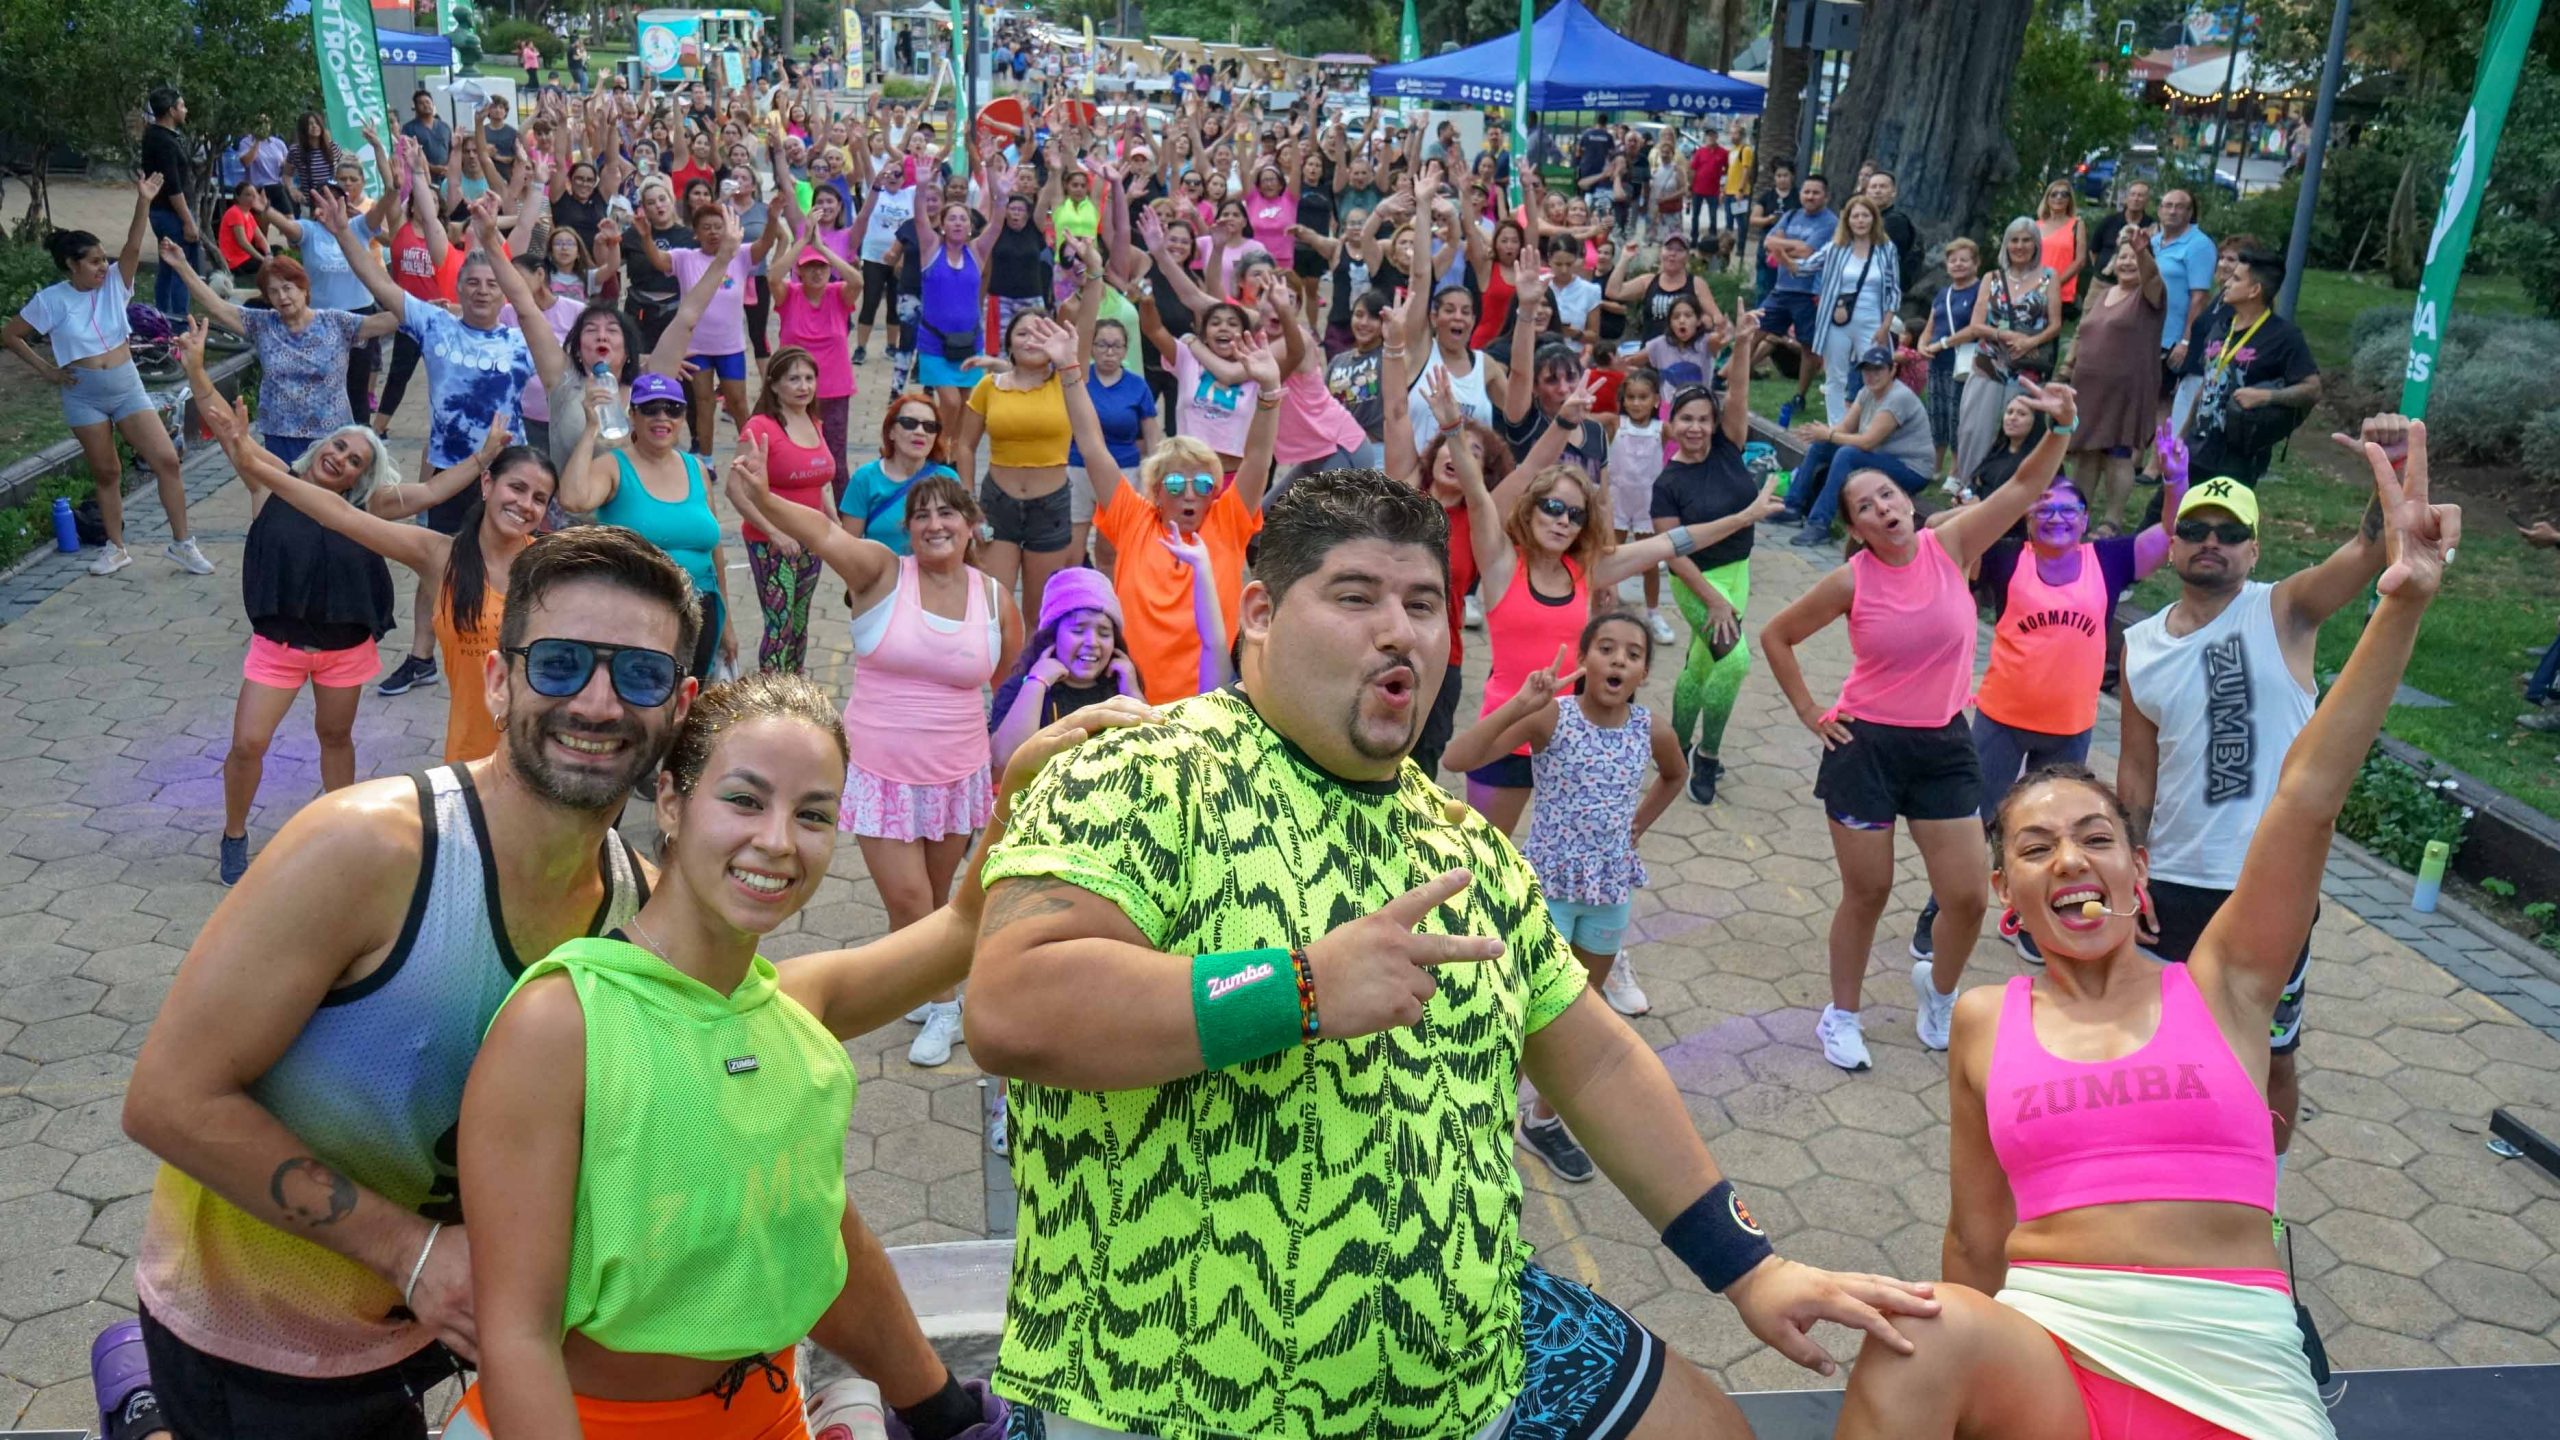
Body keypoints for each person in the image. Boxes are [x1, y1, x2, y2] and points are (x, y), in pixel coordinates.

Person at [966, 466, 1940, 1440]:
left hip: (1469, 1343)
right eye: (1355, 596)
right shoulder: (1138, 769)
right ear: (1258, 612)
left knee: (1708, 1430)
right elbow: (1015, 1006)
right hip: (1178, 1385)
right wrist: (1301, 989)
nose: (1400, 629)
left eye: (1424, 604)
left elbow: (1593, 1058)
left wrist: (1749, 1268)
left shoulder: (1462, 843)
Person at [123, 526, 980, 1440]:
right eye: (562, 664)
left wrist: (989, 898)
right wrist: (413, 1256)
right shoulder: (370, 850)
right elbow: (167, 1100)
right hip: (276, 1346)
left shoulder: (637, 897)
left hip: (467, 1331)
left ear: (679, 704)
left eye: (640, 675)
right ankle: (141, 1408)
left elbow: (775, 1015)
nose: (599, 701)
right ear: (499, 679)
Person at [1832, 422, 2453, 1440]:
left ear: (2136, 871)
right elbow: (1974, 1236)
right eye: (2036, 850)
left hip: (2232, 1361)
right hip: (2048, 1349)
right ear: (2005, 890)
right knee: (1923, 1327)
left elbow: (2306, 797)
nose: (2070, 859)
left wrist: (2402, 603)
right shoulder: (1985, 1019)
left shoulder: (2224, 987)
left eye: (2093, 839)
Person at [450, 671, 1135, 1437]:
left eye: (812, 814)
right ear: (671, 802)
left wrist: (1017, 793)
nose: (777, 842)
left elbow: (965, 929)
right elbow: (516, 1339)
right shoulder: (562, 1023)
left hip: (773, 1415)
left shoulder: (787, 1006)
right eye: (744, 800)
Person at [1759, 381, 2079, 1073]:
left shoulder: (1951, 542)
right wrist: (1811, 712)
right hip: (1866, 746)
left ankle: (1938, 993)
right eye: (1864, 505)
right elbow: (1777, 636)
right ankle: (1840, 1015)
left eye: (1888, 496)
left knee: (1965, 895)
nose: (1882, 508)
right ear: (1857, 525)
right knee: (1867, 892)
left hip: (1943, 744)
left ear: (1909, 502)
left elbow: (2025, 488)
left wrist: (2062, 426)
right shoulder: (1852, 580)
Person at [2119, 426, 2398, 1181]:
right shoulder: (2140, 643)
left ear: (2253, 552)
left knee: (2272, 1051)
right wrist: (2129, 870)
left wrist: (2390, 476)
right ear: (2173, 547)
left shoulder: (2283, 611)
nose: (2210, 543)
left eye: (2230, 533)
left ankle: (2258, 1189)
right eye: (2196, 531)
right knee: (2160, 1041)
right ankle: (2161, 1172)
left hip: (2269, 884)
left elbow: (2368, 553)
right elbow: (2137, 773)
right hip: (2172, 879)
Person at [728, 450, 1022, 1069]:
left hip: (957, 774)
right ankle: (946, 1006)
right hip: (880, 773)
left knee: (938, 896)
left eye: (948, 513)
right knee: (912, 901)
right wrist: (762, 494)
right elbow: (823, 532)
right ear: (908, 529)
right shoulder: (884, 573)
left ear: (973, 525)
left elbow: (999, 673)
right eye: (922, 515)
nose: (935, 524)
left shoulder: (994, 596)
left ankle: (916, 980)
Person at [1909, 424, 2191, 966]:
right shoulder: (2003, 556)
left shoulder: (2106, 561)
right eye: (2043, 508)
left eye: (2067, 509)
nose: (2056, 517)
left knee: (2051, 830)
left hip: (2069, 725)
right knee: (1974, 819)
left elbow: (2167, 535)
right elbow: (1937, 531)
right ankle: (1942, 905)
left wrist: (2176, 481)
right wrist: (2006, 496)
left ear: (2086, 521)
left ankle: (2029, 921)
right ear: (2025, 517)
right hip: (2000, 716)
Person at [1441, 610, 1689, 1173]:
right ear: (1584, 660)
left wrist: (1639, 825)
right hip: (1548, 890)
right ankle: (1490, 1120)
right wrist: (1521, 705)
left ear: (1644, 671)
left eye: (1632, 652)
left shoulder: (1651, 728)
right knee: (1525, 1007)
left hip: (1608, 892)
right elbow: (1459, 758)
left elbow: (1676, 774)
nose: (1619, 659)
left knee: (1583, 1008)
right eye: (1606, 648)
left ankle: (1543, 1120)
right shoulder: (1554, 718)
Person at [177, 327, 399, 888]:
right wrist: (197, 371)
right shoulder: (272, 482)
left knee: (335, 739)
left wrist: (485, 461)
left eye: (354, 460)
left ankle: (344, 837)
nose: (341, 458)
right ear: (321, 446)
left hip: (344, 650)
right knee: (248, 743)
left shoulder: (364, 511)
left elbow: (437, 497)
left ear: (359, 477)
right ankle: (233, 835)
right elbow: (231, 433)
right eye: (339, 446)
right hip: (278, 646)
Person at [1047, 313, 1281, 703]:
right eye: (1175, 483)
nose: (1190, 493)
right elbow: (1091, 445)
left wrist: (1270, 390)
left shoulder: (1227, 520)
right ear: (1155, 491)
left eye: (1203, 483)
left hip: (1209, 701)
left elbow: (1257, 456)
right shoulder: (1133, 517)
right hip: (1132, 697)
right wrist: (1070, 370)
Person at [2, 180, 213, 577]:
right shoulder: (51, 299)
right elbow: (10, 335)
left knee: (167, 460)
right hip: (83, 396)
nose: (103, 266)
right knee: (107, 472)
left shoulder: (116, 283)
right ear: (72, 264)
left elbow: (133, 246)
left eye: (104, 259)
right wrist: (48, 370)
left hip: (126, 386)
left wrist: (143, 202)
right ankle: (116, 548)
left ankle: (183, 545)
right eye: (94, 261)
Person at [555, 371, 739, 681]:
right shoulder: (615, 466)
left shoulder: (696, 468)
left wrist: (728, 623)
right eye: (650, 408)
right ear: (633, 415)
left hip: (701, 610)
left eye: (672, 409)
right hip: (638, 613)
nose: (662, 417)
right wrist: (591, 429)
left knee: (689, 707)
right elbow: (573, 499)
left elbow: (714, 549)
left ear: (683, 417)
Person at [1651, 321, 1767, 806]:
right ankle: (1709, 757)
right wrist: (1714, 601)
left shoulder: (1727, 448)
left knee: (1702, 666)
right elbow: (1675, 558)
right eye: (1686, 419)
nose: (1696, 427)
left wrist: (1742, 345)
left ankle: (1674, 749)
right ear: (1671, 425)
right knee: (1734, 660)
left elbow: (1737, 393)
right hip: (1696, 580)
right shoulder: (1667, 484)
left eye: (1703, 418)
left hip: (1739, 573)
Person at [158, 247, 400, 462]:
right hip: (280, 436)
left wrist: (424, 309)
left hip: (331, 437)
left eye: (288, 288)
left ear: (304, 289)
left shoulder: (335, 322)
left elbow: (382, 322)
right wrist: (182, 265)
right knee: (285, 505)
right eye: (274, 292)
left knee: (326, 507)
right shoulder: (262, 324)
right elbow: (216, 305)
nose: (282, 297)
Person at [956, 309, 1081, 624]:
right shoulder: (988, 386)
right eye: (1022, 333)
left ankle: (1033, 673)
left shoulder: (1068, 383)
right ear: (1009, 343)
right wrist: (969, 503)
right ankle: (998, 673)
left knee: (1040, 613)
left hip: (1050, 507)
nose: (1031, 340)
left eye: (1040, 333)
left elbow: (1086, 323)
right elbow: (965, 446)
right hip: (997, 505)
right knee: (994, 608)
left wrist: (1092, 276)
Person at [728, 347, 836, 674]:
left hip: (810, 540)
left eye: (809, 378)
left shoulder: (814, 421)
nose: (803, 386)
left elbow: (818, 484)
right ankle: (770, 700)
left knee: (800, 623)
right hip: (770, 543)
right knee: (780, 626)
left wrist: (835, 526)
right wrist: (774, 533)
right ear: (774, 385)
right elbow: (735, 489)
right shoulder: (759, 427)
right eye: (793, 379)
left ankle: (796, 694)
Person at [2180, 250, 2321, 491]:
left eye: (2236, 279)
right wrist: (2181, 438)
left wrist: (2266, 396)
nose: (2226, 282)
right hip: (2196, 448)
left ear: (2254, 290)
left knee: (2211, 527)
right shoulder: (2220, 327)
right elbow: (2208, 383)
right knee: (2163, 519)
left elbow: (2313, 389)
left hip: (2235, 460)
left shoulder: (2284, 336)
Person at [2058, 228, 2165, 532]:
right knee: (2086, 452)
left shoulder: (2149, 295)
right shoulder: (2105, 293)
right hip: (2089, 387)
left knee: (2118, 453)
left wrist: (2142, 251)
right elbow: (2082, 333)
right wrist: (2067, 368)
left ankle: (2112, 520)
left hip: (2125, 390)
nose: (2128, 262)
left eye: (2134, 258)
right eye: (2123, 257)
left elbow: (2152, 277)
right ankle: (2080, 513)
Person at [989, 568, 1146, 773]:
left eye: (1104, 633)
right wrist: (1036, 684)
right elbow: (1005, 759)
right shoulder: (1022, 686)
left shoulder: (1119, 686)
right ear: (1052, 636)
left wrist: (1132, 692)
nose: (1092, 642)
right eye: (1078, 630)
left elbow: (1152, 754)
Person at [1776, 345, 1937, 545]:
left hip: (1911, 470)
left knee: (1847, 454)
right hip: (1883, 458)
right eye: (1867, 370)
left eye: (1877, 369)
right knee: (1821, 446)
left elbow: (1868, 441)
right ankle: (1792, 506)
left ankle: (1819, 524)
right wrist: (1822, 433)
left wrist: (1829, 434)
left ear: (1892, 370)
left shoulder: (1898, 397)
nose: (1871, 375)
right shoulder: (1866, 392)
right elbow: (1845, 427)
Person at [1952, 218, 2061, 486]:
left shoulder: (2049, 277)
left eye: (2026, 240)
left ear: (2036, 244)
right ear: (2006, 244)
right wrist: (2003, 335)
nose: (2020, 246)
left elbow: (2056, 324)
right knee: (1974, 430)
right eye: (2014, 240)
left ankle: (2010, 490)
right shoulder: (1992, 278)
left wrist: (2029, 342)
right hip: (1989, 363)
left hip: (2027, 368)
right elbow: (1976, 324)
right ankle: (1968, 487)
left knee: (2020, 431)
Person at [1778, 193, 1902, 426]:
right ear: (1848, 220)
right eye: (1855, 216)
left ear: (1874, 219)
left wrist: (1886, 325)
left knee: (1875, 372)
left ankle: (1869, 426)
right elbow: (1806, 266)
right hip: (1838, 319)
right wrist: (1784, 257)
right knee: (1835, 376)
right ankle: (1836, 426)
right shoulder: (1836, 247)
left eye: (1865, 215)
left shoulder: (1886, 249)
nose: (1860, 220)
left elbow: (1894, 289)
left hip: (1872, 320)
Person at [1756, 172, 1834, 425]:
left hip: (1809, 291)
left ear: (1826, 196)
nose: (1810, 196)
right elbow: (1769, 242)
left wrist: (1782, 244)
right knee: (1755, 329)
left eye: (1816, 192)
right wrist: (1790, 245)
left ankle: (1800, 395)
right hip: (1781, 287)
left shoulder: (1829, 222)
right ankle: (1729, 376)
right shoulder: (1791, 215)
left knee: (1808, 346)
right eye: (1806, 191)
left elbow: (1808, 251)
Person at [1604, 369, 1675, 642]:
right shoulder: (1615, 424)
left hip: (1648, 504)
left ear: (1656, 400)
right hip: (1618, 501)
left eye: (1643, 397)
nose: (1636, 403)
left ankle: (1653, 613)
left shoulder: (1663, 429)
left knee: (1650, 561)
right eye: (1631, 397)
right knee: (1610, 556)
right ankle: (1605, 606)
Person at [845, 394, 961, 553]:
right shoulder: (865, 478)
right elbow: (848, 550)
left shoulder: (948, 479)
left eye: (929, 426)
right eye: (909, 423)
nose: (920, 432)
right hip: (883, 576)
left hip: (933, 575)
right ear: (891, 431)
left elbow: (959, 541)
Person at [1918, 237, 1982, 481]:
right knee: (1937, 414)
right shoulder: (1943, 293)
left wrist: (1941, 343)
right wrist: (1923, 344)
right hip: (1937, 362)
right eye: (1953, 260)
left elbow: (1975, 328)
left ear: (1976, 263)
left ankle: (1955, 471)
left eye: (1964, 260)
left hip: (1963, 363)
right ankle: (1935, 466)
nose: (1958, 264)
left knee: (1958, 416)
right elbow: (1931, 323)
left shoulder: (1979, 291)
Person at [2150, 188, 2217, 400]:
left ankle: (2161, 435)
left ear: (2190, 213)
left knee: (2160, 400)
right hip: (2147, 332)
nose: (2172, 211)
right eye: (2168, 206)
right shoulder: (2153, 242)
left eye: (2179, 207)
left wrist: (2186, 342)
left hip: (2171, 339)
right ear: (2159, 210)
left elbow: (2199, 298)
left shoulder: (2199, 245)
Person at [140, 87, 201, 317]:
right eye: (182, 106)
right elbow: (173, 186)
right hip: (169, 212)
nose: (185, 110)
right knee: (180, 267)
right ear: (171, 110)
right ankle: (179, 323)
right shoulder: (164, 141)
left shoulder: (157, 136)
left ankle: (162, 318)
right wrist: (188, 221)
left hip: (161, 211)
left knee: (167, 265)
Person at [2033, 179, 2087, 316]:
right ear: (2047, 198)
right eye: (2054, 194)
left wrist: (2054, 283)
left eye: (2064, 194)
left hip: (2061, 291)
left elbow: (2080, 261)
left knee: (2050, 334)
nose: (2059, 197)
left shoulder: (2077, 225)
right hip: (2033, 289)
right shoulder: (2035, 225)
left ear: (2070, 200)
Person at [1866, 170, 1923, 295]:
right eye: (1873, 186)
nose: (1877, 191)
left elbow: (1887, 260)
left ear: (1893, 192)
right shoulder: (1866, 219)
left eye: (1883, 186)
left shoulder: (1895, 222)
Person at [2089, 180, 2154, 288]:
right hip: (2101, 283)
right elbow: (2094, 250)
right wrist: (2099, 270)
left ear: (2147, 201)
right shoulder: (2109, 221)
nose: (2136, 198)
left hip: (2135, 286)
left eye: (2140, 195)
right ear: (2126, 198)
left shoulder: (2151, 226)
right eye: (2132, 194)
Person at [1689, 129, 1730, 243]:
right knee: (1695, 215)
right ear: (1705, 138)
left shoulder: (1723, 153)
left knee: (1713, 216)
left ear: (1717, 137)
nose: (1710, 138)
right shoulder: (1700, 152)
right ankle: (1694, 238)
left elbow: (1728, 168)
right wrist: (1690, 186)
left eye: (1713, 135)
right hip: (1698, 188)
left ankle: (1712, 239)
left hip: (1713, 190)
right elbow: (1693, 169)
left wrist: (1722, 177)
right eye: (1708, 136)